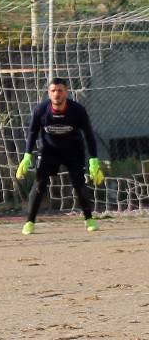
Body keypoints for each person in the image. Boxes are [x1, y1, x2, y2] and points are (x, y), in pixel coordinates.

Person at [15, 77, 105, 235]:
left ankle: (89, 219)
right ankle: (30, 222)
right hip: (49, 152)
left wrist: (94, 160)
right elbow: (32, 132)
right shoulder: (41, 110)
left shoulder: (77, 110)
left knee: (79, 184)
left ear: (66, 92)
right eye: (53, 91)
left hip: (73, 151)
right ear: (49, 93)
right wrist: (27, 155)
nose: (57, 94)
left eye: (60, 90)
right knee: (39, 184)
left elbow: (89, 135)